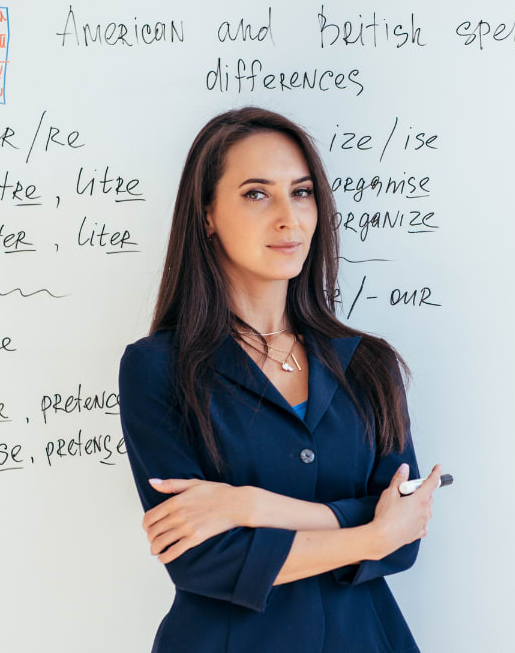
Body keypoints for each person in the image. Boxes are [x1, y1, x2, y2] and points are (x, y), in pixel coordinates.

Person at [118, 106, 442, 653]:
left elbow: (405, 536)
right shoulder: (157, 369)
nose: (289, 218)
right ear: (207, 216)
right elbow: (203, 559)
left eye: (303, 192)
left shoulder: (369, 364)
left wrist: (247, 506)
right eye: (256, 194)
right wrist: (371, 534)